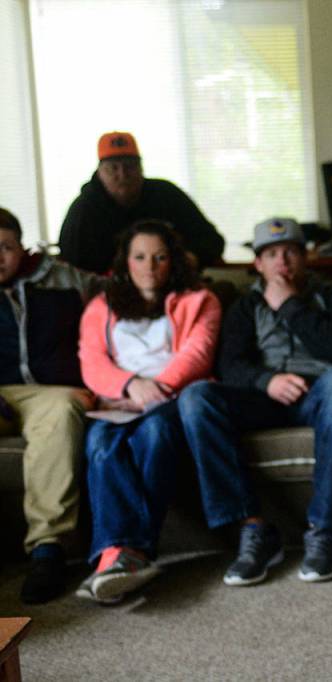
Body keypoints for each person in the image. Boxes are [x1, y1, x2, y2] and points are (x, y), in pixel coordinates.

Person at [177, 217, 332, 585]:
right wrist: (267, 380)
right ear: (258, 264)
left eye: (291, 251)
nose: (283, 261)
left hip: (320, 394)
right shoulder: (245, 307)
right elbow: (228, 365)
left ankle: (323, 530)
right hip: (262, 397)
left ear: (305, 256)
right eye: (272, 254)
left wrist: (292, 305)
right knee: (196, 397)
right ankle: (254, 528)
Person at [75, 220, 221, 603]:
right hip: (117, 399)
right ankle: (115, 556)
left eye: (159, 257)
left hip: (170, 399)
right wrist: (127, 386)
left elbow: (198, 353)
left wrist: (153, 390)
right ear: (125, 262)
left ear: (172, 261)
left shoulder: (199, 299)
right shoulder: (101, 306)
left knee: (153, 437)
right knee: (101, 443)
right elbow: (91, 360)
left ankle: (128, 555)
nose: (150, 266)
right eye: (140, 257)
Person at [0, 207, 98, 605]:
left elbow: (121, 300)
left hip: (50, 392)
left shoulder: (61, 278)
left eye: (5, 247)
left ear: (21, 248)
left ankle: (47, 549)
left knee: (61, 411)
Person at [59, 131, 225, 274]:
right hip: (107, 293)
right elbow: (73, 266)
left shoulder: (167, 194)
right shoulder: (83, 212)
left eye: (130, 166)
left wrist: (189, 260)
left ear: (141, 168)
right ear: (100, 172)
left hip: (171, 288)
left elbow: (212, 241)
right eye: (113, 168)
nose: (123, 175)